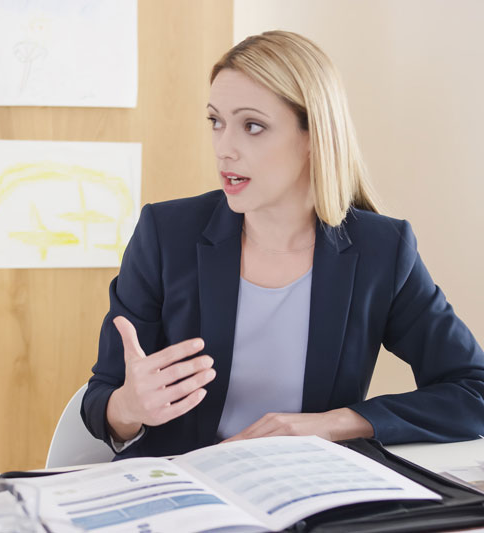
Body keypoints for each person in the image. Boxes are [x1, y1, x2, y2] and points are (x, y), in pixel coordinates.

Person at [82, 30, 484, 459]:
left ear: (314, 135)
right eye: (216, 122)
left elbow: (472, 391)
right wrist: (128, 406)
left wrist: (332, 424)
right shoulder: (165, 233)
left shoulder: (381, 251)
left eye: (252, 126)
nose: (224, 148)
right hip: (184, 491)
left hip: (307, 493)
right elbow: (101, 400)